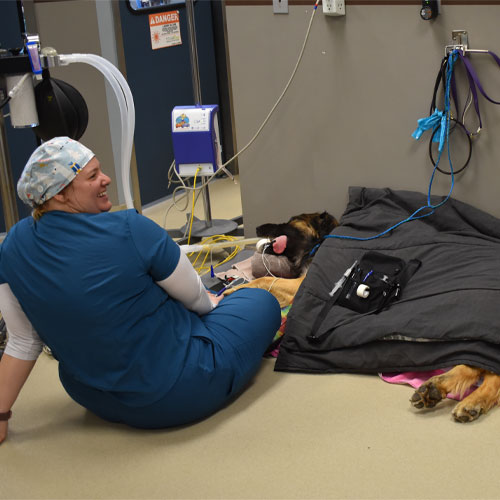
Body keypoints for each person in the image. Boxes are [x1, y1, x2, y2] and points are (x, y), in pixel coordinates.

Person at [0, 137, 281, 443]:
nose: (106, 179)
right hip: (177, 394)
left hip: (91, 395)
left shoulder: (12, 245)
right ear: (59, 194)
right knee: (259, 300)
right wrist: (215, 304)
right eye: (93, 176)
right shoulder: (129, 228)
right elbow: (197, 299)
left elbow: (23, 340)